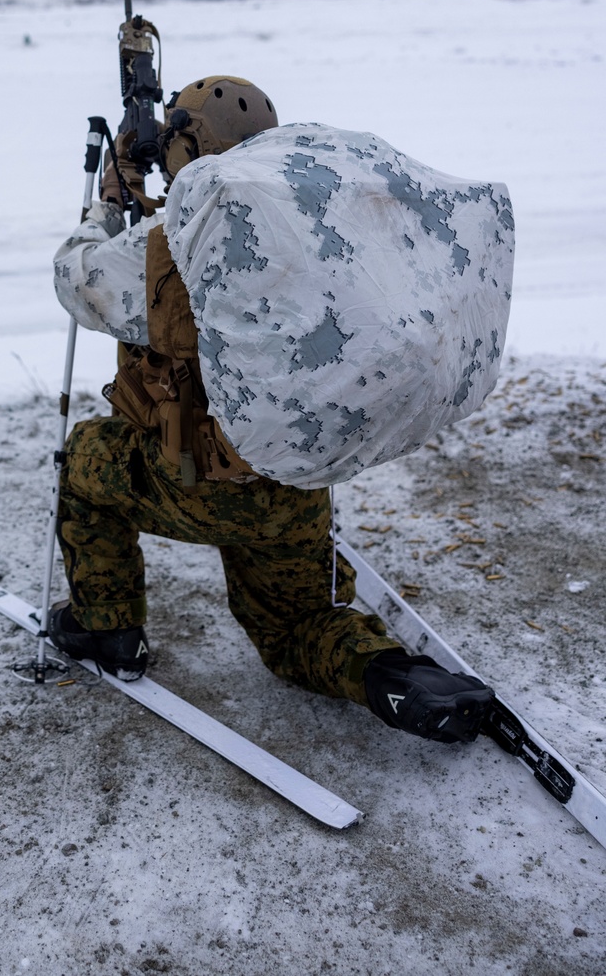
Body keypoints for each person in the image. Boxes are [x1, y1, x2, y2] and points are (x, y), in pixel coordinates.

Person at [51, 76, 494, 745]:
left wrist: (110, 206)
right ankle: (387, 675)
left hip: (196, 480)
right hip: (295, 484)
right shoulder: (318, 235)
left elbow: (77, 278)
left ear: (191, 147)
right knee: (294, 630)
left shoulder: (175, 247)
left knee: (86, 457)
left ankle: (108, 630)